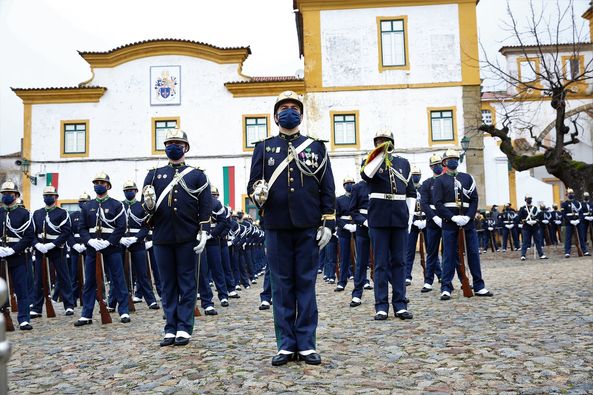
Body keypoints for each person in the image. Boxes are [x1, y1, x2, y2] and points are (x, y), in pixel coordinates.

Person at [247, 90, 336, 366]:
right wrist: (256, 194)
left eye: (293, 107)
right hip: (275, 225)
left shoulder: (316, 147)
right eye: (283, 107)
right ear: (275, 116)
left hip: (307, 225)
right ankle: (286, 344)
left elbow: (327, 186)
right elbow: (253, 184)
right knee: (281, 286)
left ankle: (307, 343)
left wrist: (327, 222)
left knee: (306, 284)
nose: (289, 111)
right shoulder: (263, 147)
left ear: (301, 113)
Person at [142, 128, 212, 346]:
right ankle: (170, 327)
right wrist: (149, 205)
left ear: (186, 148)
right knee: (166, 284)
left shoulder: (196, 174)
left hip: (187, 236)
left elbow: (205, 205)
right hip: (162, 236)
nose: (174, 147)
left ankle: (184, 327)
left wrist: (204, 231)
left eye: (178, 143)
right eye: (170, 143)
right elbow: (144, 207)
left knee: (187, 283)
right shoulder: (154, 174)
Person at [360, 130, 415, 321]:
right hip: (379, 216)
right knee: (381, 264)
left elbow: (411, 192)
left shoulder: (403, 163)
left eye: (386, 141)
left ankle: (400, 304)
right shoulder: (370, 161)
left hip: (399, 216)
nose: (383, 143)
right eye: (379, 141)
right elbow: (367, 176)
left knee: (399, 262)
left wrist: (410, 218)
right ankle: (381, 306)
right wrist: (378, 155)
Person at [432, 149, 493, 300]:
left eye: (455, 158)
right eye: (450, 159)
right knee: (449, 255)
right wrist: (452, 217)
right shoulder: (439, 180)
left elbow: (474, 199)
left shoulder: (467, 178)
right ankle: (446, 287)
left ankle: (479, 285)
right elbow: (438, 203)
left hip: (467, 222)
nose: (453, 161)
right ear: (445, 162)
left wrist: (468, 216)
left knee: (473, 253)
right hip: (449, 223)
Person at [75, 172, 130, 327]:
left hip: (111, 247)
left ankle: (124, 310)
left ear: (108, 186)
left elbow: (121, 227)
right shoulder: (87, 206)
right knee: (90, 281)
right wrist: (90, 241)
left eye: (102, 183)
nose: (98, 185)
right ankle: (86, 314)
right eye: (96, 183)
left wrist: (109, 242)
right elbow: (82, 228)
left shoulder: (116, 205)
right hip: (93, 248)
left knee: (118, 279)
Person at [30, 186, 75, 318]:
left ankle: (69, 305)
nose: (48, 197)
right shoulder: (37, 213)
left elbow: (66, 231)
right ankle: (37, 307)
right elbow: (31, 233)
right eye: (46, 195)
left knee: (63, 277)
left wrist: (53, 244)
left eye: (50, 195)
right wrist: (37, 244)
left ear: (56, 197)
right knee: (38, 278)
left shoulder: (62, 213)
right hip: (40, 248)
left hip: (56, 248)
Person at [0, 181, 34, 330]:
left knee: (21, 288)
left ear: (16, 195)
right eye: (4, 194)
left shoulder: (24, 214)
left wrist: (13, 250)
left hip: (17, 255)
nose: (7, 196)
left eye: (10, 194)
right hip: (0, 256)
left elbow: (29, 236)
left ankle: (24, 319)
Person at [120, 180, 159, 310]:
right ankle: (116, 300)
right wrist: (120, 238)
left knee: (142, 273)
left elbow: (146, 226)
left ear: (136, 192)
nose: (128, 192)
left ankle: (150, 300)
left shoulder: (141, 206)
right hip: (122, 241)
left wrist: (136, 238)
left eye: (131, 190)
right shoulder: (119, 206)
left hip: (137, 242)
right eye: (126, 190)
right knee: (120, 273)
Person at [419, 154, 444, 292]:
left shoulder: (449, 180)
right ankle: (428, 281)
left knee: (451, 252)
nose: (437, 167)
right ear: (430, 167)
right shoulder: (427, 183)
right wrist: (434, 217)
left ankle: (456, 278)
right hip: (433, 221)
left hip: (447, 219)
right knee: (432, 252)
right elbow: (424, 203)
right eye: (435, 165)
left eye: (439, 164)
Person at [404, 166, 425, 286]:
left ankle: (437, 273)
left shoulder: (424, 188)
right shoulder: (408, 189)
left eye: (418, 175)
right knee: (409, 250)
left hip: (424, 219)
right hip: (412, 220)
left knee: (430, 249)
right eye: (414, 175)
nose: (416, 177)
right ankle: (407, 275)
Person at [335, 177, 355, 292]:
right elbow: (336, 216)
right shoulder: (339, 200)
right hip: (344, 230)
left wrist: (357, 224)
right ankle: (342, 281)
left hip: (357, 229)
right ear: (344, 186)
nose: (350, 185)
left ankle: (363, 281)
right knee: (344, 257)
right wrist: (345, 225)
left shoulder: (357, 198)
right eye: (347, 183)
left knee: (360, 257)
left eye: (352, 183)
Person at [517, 195, 547, 260]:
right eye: (528, 199)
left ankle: (541, 254)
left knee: (538, 241)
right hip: (526, 226)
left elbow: (538, 216)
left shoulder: (535, 208)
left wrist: (536, 220)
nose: (529, 200)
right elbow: (519, 217)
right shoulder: (522, 208)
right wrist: (524, 221)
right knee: (525, 241)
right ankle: (523, 255)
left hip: (535, 226)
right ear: (525, 200)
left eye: (530, 199)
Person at [561, 189, 590, 257]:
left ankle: (584, 251)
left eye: (572, 193)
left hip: (578, 222)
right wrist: (570, 221)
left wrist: (579, 220)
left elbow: (581, 213)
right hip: (569, 222)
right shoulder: (564, 204)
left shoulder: (577, 203)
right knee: (568, 238)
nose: (571, 195)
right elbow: (563, 214)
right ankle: (567, 252)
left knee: (581, 237)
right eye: (569, 193)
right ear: (567, 195)